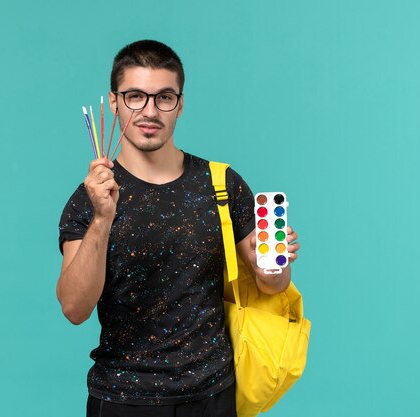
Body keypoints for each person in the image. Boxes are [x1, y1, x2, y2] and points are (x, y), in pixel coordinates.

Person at [57, 39, 300, 417]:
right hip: (123, 398)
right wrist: (102, 218)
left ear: (180, 104)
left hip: (213, 395)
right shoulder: (89, 197)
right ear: (113, 102)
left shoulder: (222, 184)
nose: (149, 111)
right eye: (135, 96)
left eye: (164, 97)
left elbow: (274, 285)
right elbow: (74, 308)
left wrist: (273, 266)